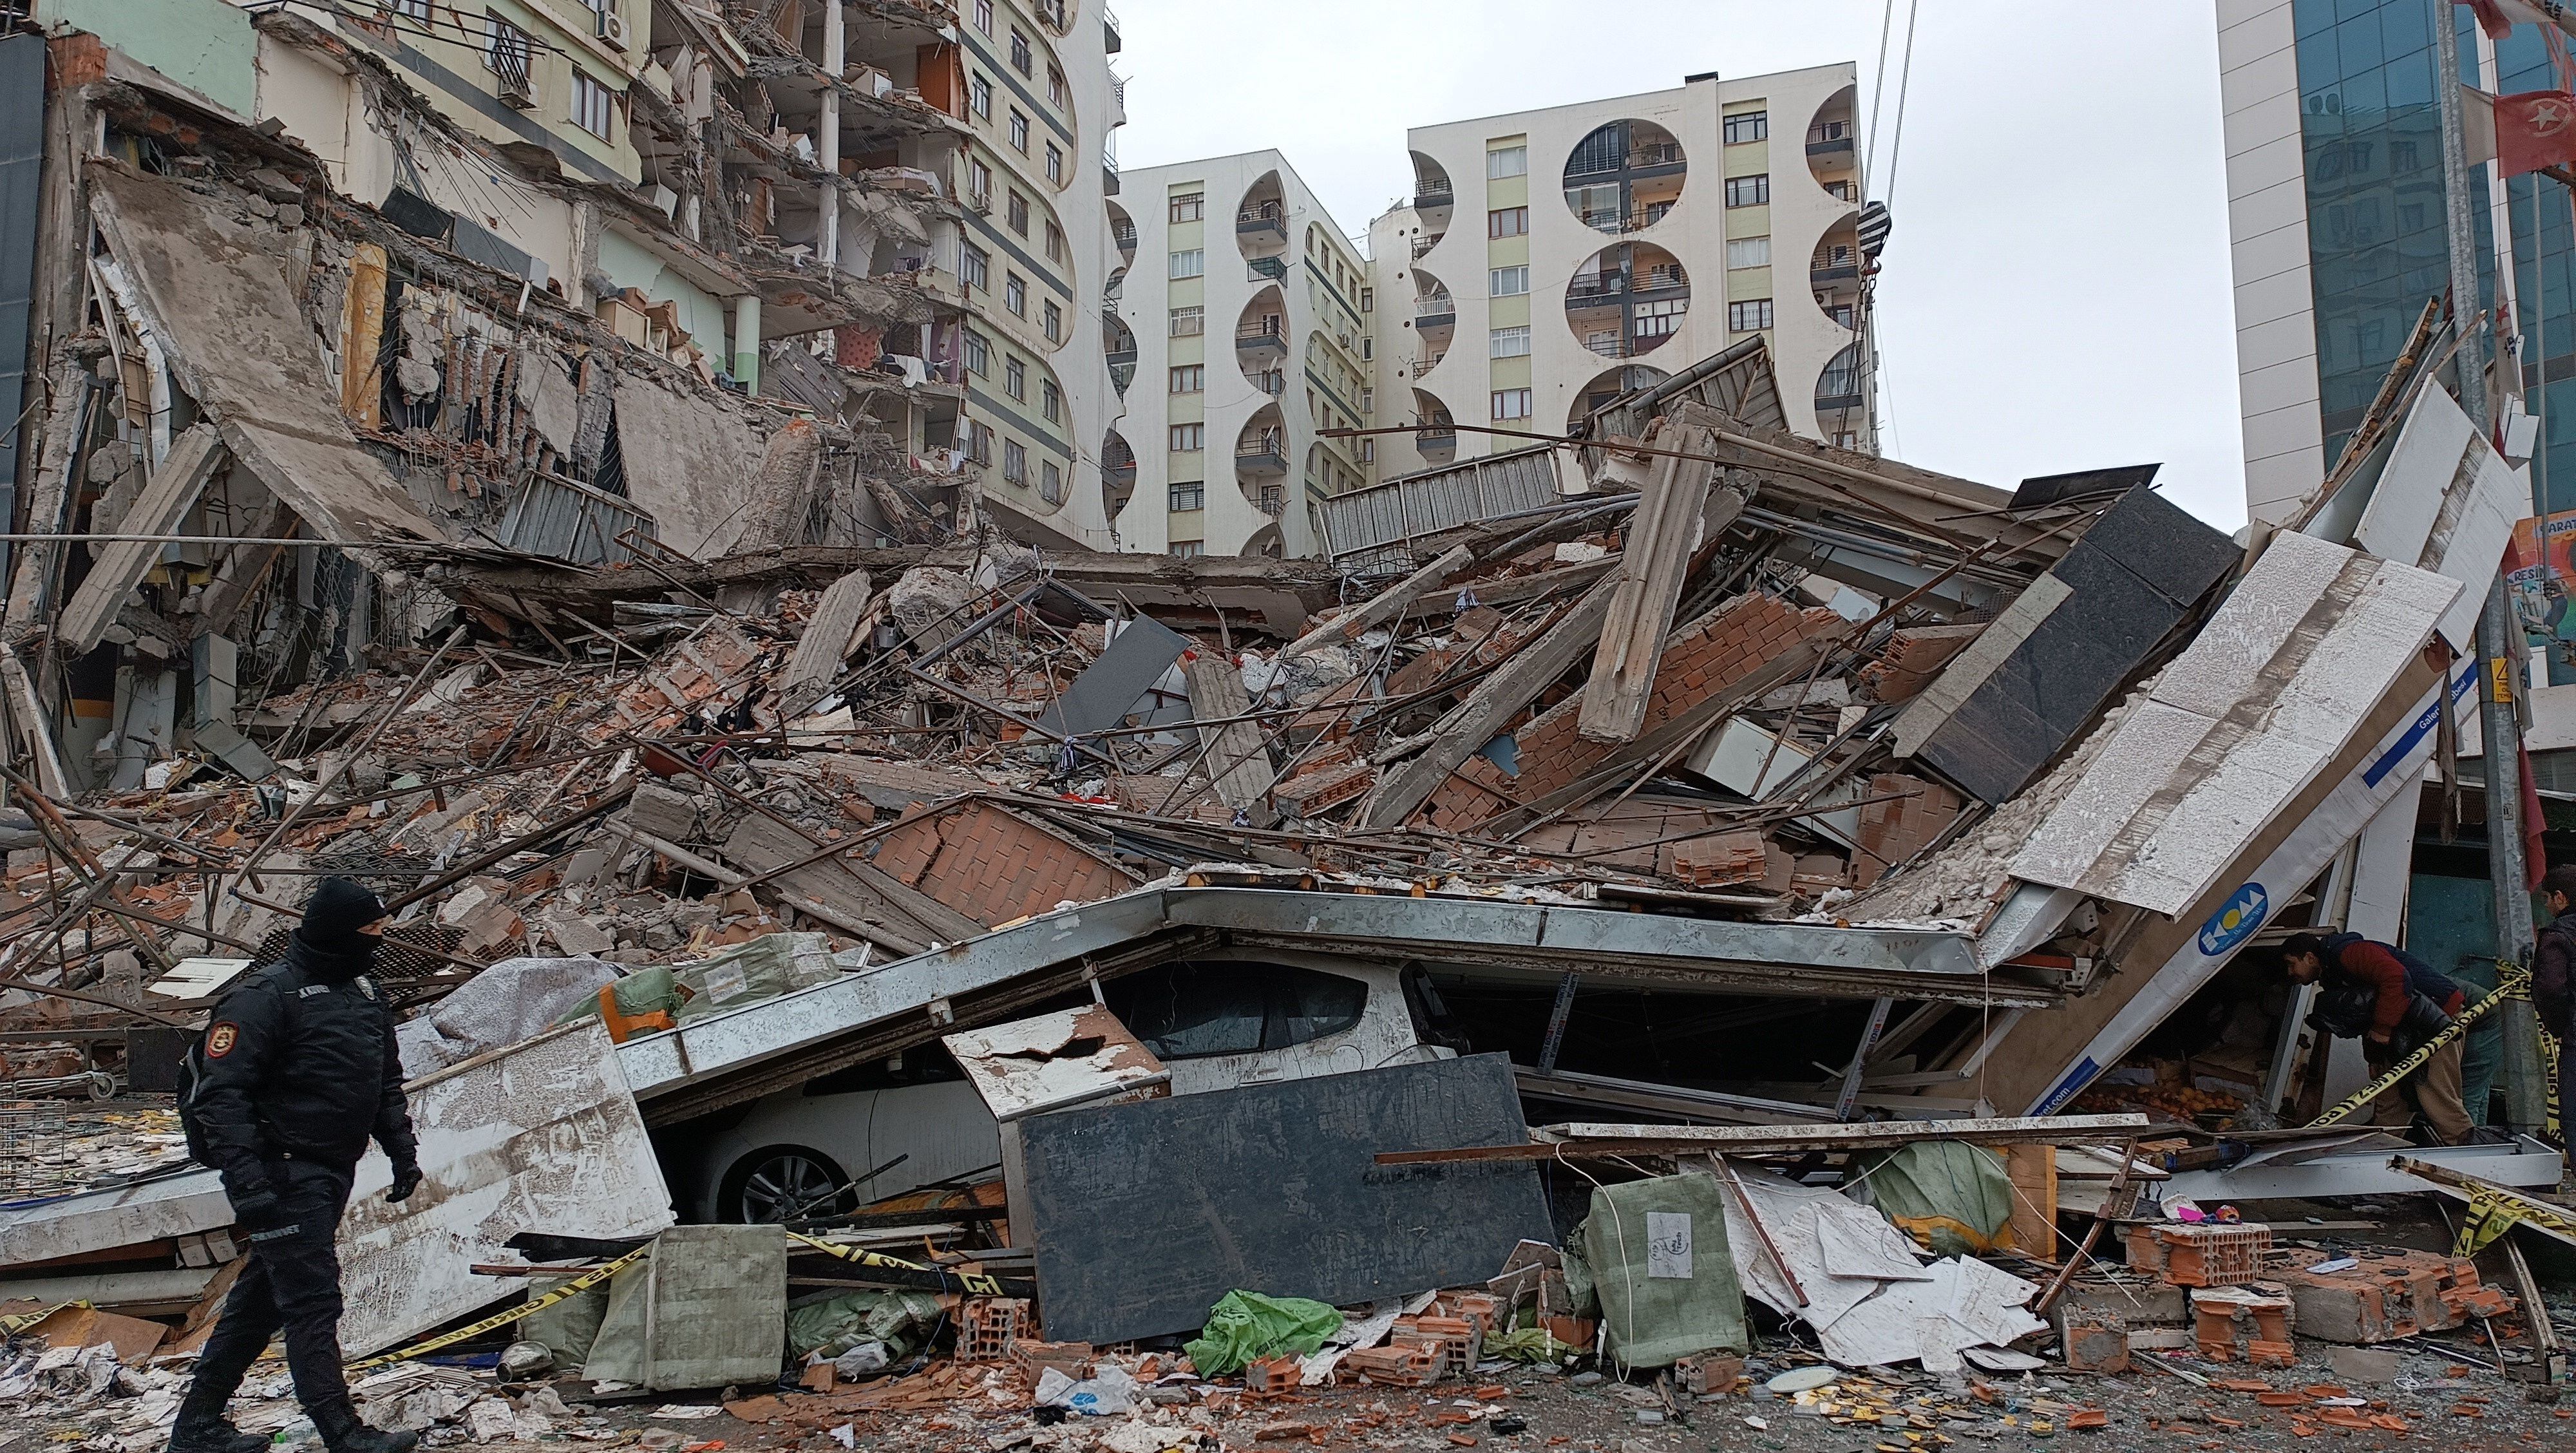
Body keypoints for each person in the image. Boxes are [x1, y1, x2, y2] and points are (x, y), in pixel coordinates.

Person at [169, 878, 422, 1453]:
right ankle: (342, 1431)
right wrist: (249, 1186)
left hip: (334, 1168)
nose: (378, 942)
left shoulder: (364, 991)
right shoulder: (264, 997)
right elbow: (220, 1098)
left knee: (259, 1304)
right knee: (313, 1299)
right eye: (370, 932)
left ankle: (196, 1429)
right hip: (281, 1171)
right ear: (338, 932)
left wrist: (402, 1150)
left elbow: (383, 1081)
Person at [2282, 930, 2472, 1145]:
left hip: (2437, 1020)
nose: (2290, 972)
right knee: (2389, 1098)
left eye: (2291, 964)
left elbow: (2397, 979)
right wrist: (2374, 1057)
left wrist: (2382, 1031)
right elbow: (2367, 1015)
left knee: (2438, 1097)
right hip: (2407, 1025)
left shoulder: (2349, 953)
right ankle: (2380, 1153)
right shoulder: (2333, 973)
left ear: (2309, 957)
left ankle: (2473, 1156)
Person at [2535, 866, 2576, 1148]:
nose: (2547, 905)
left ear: (2560, 898)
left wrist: (2560, 1026)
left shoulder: (2558, 935)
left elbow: (2550, 987)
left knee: (2573, 1114)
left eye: (2547, 897)